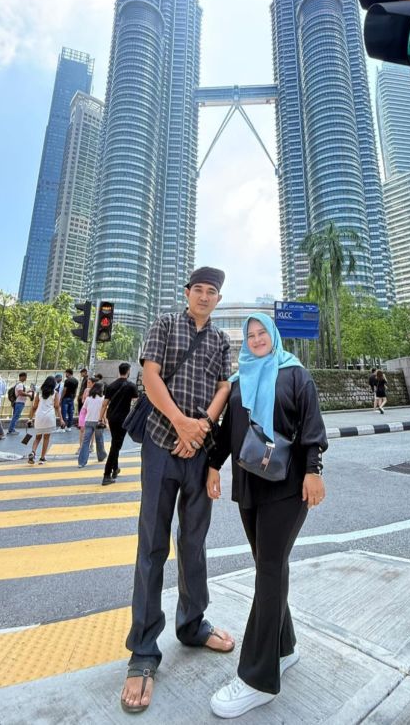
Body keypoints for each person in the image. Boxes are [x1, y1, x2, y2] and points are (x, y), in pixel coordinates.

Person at [120, 266, 234, 715]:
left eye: (212, 292)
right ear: (187, 293)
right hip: (161, 447)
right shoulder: (165, 325)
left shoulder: (222, 341)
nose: (205, 297)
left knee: (194, 542)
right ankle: (144, 650)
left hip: (199, 450)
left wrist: (202, 425)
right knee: (152, 544)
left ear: (218, 300)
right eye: (199, 290)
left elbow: (224, 386)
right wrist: (181, 423)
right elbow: (151, 376)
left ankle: (192, 623)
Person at [206, 313, 327, 718]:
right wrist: (211, 465)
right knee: (269, 566)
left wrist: (314, 471)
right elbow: (228, 432)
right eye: (251, 335)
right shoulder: (240, 380)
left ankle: (257, 678)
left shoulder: (294, 374)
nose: (257, 339)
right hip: (249, 488)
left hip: (288, 486)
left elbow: (311, 425)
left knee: (269, 571)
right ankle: (283, 647)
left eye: (262, 334)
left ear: (273, 336)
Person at [99, 362, 138, 486]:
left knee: (115, 442)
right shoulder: (131, 386)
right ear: (128, 371)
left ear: (119, 371)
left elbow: (104, 404)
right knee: (116, 446)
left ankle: (115, 469)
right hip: (123, 419)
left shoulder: (111, 386)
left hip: (112, 417)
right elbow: (136, 403)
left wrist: (101, 418)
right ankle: (106, 474)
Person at [28, 376, 64, 464]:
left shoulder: (39, 393)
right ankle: (42, 457)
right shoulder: (55, 393)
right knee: (46, 438)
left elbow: (34, 407)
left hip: (39, 416)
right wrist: (61, 419)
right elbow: (57, 407)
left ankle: (33, 452)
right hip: (49, 417)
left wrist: (30, 418)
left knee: (37, 437)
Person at [77, 382, 107, 467]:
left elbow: (84, 409)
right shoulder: (103, 398)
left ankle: (82, 462)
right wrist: (105, 421)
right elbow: (104, 411)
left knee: (85, 441)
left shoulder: (88, 398)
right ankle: (101, 456)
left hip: (88, 421)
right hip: (98, 422)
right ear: (101, 390)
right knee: (99, 440)